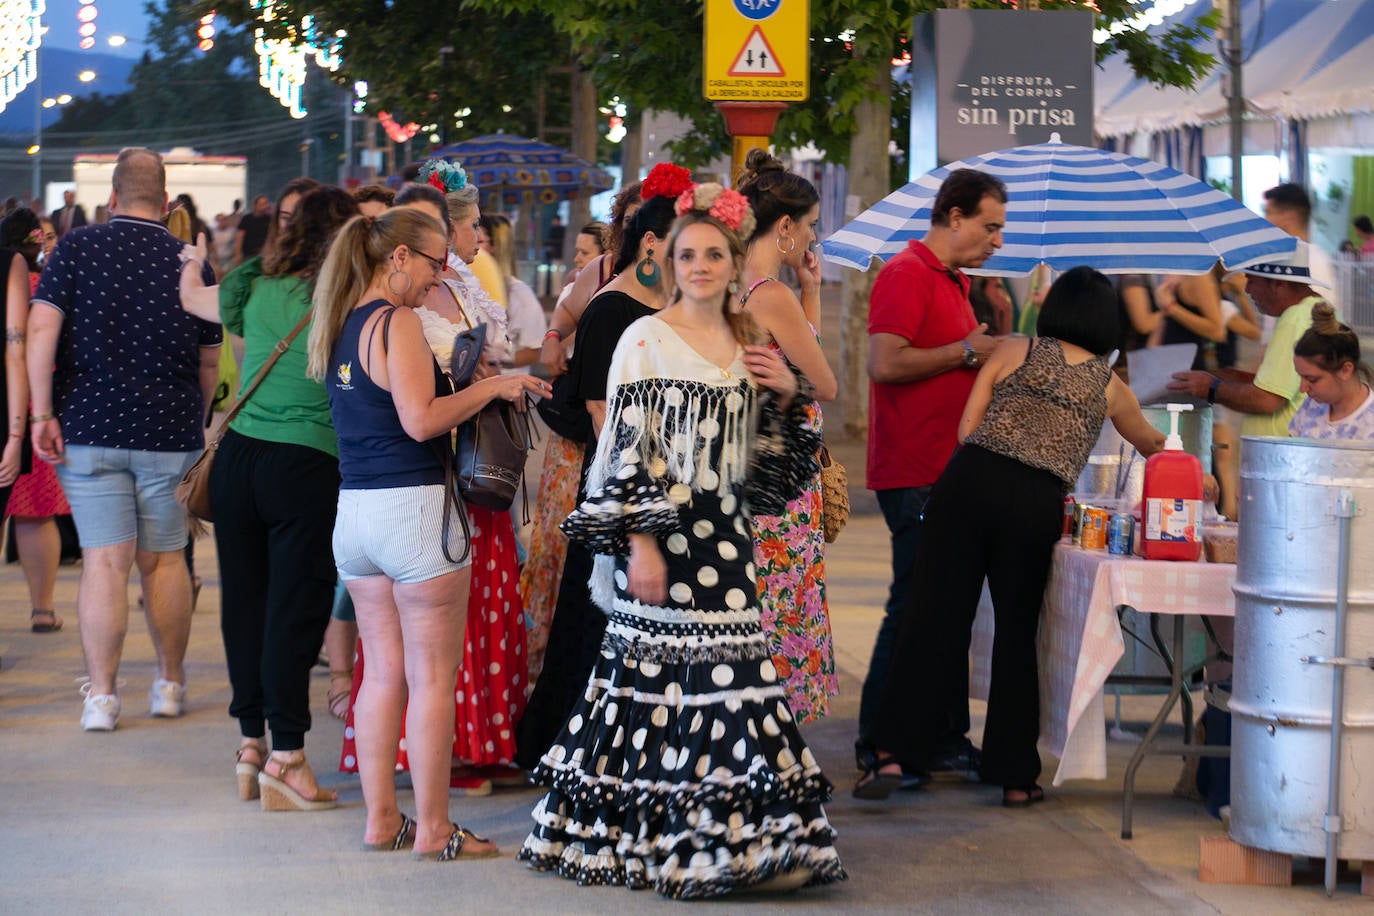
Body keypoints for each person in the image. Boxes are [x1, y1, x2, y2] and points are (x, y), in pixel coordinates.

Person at [516, 183, 846, 898]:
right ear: (666, 258)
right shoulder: (644, 338)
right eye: (686, 253)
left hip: (729, 540)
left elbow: (772, 468)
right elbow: (626, 452)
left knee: (735, 685)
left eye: (713, 254)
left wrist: (785, 390)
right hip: (663, 537)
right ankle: (670, 841)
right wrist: (640, 545)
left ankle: (736, 842)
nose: (699, 265)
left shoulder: (750, 339)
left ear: (733, 263)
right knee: (655, 685)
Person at [856, 266, 1164, 806]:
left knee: (933, 620)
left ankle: (893, 754)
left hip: (969, 483)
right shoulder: (1111, 387)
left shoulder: (1013, 350)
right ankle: (1016, 776)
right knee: (1018, 634)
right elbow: (1153, 446)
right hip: (1035, 501)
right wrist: (1203, 469)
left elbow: (965, 430)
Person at [308, 205, 548, 859]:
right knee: (432, 679)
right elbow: (421, 420)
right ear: (400, 257)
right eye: (437, 261)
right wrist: (494, 386)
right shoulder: (399, 322)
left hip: (355, 513)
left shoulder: (341, 320)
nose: (442, 274)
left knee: (381, 674)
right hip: (414, 510)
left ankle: (382, 819)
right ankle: (435, 828)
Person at [27, 148, 221, 731]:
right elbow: (210, 359)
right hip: (168, 430)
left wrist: (41, 413)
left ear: (111, 198)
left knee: (104, 563)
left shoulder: (76, 249)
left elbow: (41, 328)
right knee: (163, 561)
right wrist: (201, 416)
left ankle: (103, 699)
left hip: (87, 427)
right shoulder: (190, 260)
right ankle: (169, 684)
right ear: (165, 204)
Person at [181, 187, 360, 810]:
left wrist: (192, 260)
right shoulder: (345, 297)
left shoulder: (253, 282)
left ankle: (251, 744)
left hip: (238, 459)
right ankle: (288, 758)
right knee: (294, 612)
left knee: (246, 609)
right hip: (305, 463)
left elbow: (197, 301)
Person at [514, 165, 683, 772]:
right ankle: (569, 748)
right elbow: (601, 410)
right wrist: (639, 482)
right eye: (684, 242)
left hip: (658, 483)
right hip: (616, 483)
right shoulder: (613, 306)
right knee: (593, 621)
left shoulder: (673, 303)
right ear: (650, 244)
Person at [856, 168, 1003, 787]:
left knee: (947, 611)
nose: (998, 239)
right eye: (990, 226)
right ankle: (881, 741)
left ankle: (941, 738)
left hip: (949, 467)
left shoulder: (953, 281)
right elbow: (885, 363)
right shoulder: (906, 273)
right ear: (953, 216)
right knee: (914, 607)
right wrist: (968, 351)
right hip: (915, 469)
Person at [734, 148, 839, 725]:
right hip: (785, 477)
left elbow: (794, 360)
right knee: (784, 600)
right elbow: (823, 380)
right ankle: (778, 728)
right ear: (783, 227)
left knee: (755, 601)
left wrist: (813, 291)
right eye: (810, 226)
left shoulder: (737, 286)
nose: (812, 236)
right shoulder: (769, 294)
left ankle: (754, 727)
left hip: (749, 469)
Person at [1168, 242, 1328, 442]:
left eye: (1252, 280)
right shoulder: (1314, 311)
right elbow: (1280, 386)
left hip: (1284, 458)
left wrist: (1211, 387)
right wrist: (1226, 377)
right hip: (1290, 455)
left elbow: (1267, 399)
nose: (1247, 289)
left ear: (1279, 284)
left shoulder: (1296, 319)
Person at [1, 209, 69, 634]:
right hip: (35, 407)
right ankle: (42, 608)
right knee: (34, 513)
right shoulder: (45, 286)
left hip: (11, 403)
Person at [1288, 302, 1374, 440]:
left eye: (1312, 379)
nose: (1302, 388)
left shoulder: (1369, 424)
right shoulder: (1311, 405)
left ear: (1345, 370)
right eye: (1300, 377)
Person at [1262, 183, 1339, 313]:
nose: (1265, 219)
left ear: (1288, 216)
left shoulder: (1302, 260)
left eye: (1269, 212)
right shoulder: (1310, 256)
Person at [234, 195, 273, 265]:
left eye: (266, 203)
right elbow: (239, 237)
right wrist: (237, 254)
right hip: (248, 254)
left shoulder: (270, 220)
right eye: (262, 204)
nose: (265, 206)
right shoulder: (246, 219)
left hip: (264, 255)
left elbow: (271, 236)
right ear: (255, 205)